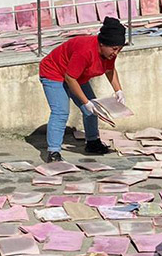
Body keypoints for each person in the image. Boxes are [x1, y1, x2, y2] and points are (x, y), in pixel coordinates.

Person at [37, 16, 126, 163]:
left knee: (93, 110)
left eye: (119, 49)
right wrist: (85, 102)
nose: (116, 53)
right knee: (61, 111)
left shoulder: (110, 53)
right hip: (54, 73)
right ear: (102, 43)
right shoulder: (85, 51)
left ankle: (92, 142)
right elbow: (70, 78)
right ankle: (53, 152)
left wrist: (118, 91)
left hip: (76, 76)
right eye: (114, 49)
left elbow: (110, 70)